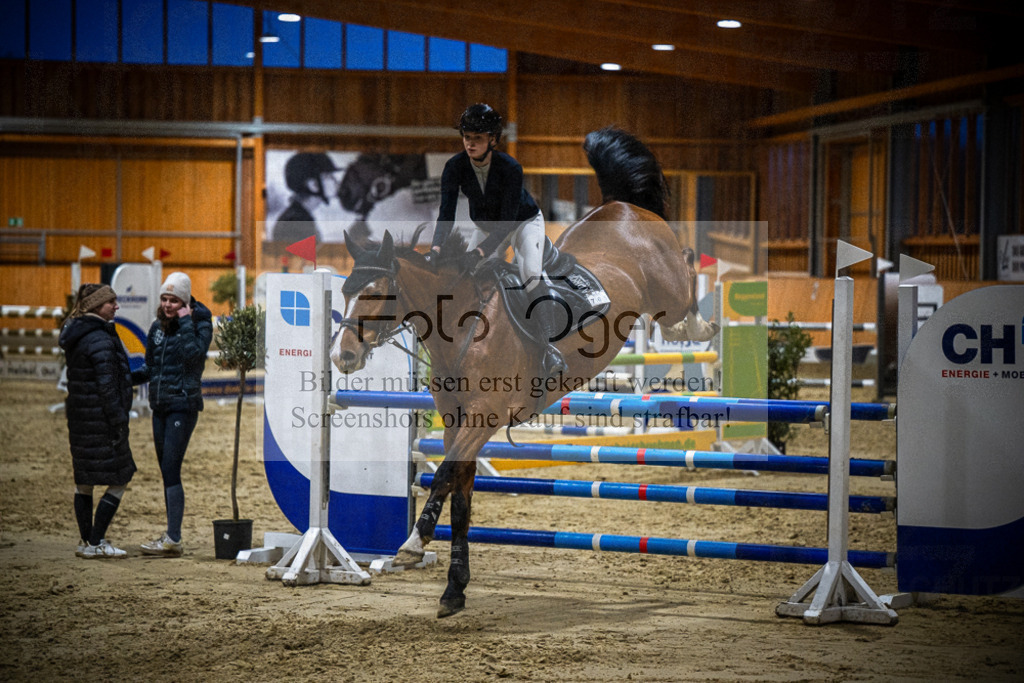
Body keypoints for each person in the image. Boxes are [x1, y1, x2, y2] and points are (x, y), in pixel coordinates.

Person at [430, 103, 566, 377]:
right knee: (469, 277)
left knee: (530, 273)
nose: (470, 143)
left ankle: (550, 348)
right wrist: (435, 248)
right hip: (486, 226)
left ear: (493, 139)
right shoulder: (454, 167)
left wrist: (480, 251)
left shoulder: (510, 167)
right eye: (467, 137)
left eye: (477, 138)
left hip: (521, 223)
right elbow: (446, 214)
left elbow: (506, 223)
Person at [132, 272, 213, 557]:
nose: (167, 304)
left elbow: (194, 356)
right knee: (166, 472)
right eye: (164, 299)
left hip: (183, 404)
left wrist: (187, 321)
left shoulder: (201, 324)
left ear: (185, 300)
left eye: (174, 300)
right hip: (160, 406)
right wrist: (126, 377)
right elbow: (152, 367)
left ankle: (174, 538)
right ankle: (171, 535)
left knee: (171, 469)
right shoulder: (157, 327)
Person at [59, 284, 136, 559]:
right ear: (95, 306)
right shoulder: (101, 339)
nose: (116, 306)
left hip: (80, 419)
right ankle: (96, 540)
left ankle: (84, 541)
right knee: (120, 478)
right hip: (101, 420)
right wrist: (119, 422)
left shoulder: (78, 334)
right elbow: (107, 387)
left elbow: (103, 378)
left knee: (84, 482)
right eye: (111, 302)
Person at [272, 152, 340, 244]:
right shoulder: (296, 222)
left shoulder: (297, 217)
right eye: (328, 176)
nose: (336, 181)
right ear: (313, 185)